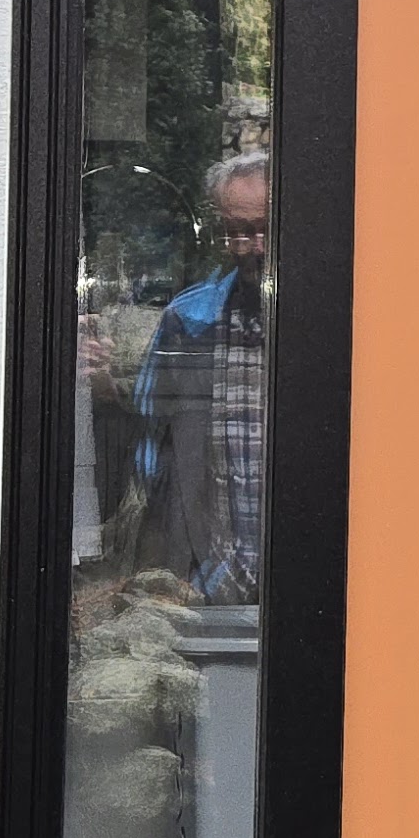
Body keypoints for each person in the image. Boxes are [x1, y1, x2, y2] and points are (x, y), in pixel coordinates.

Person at [129, 151, 269, 598]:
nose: (257, 246)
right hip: (210, 579)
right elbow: (148, 444)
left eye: (267, 226)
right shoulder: (188, 319)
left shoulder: (334, 321)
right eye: (240, 232)